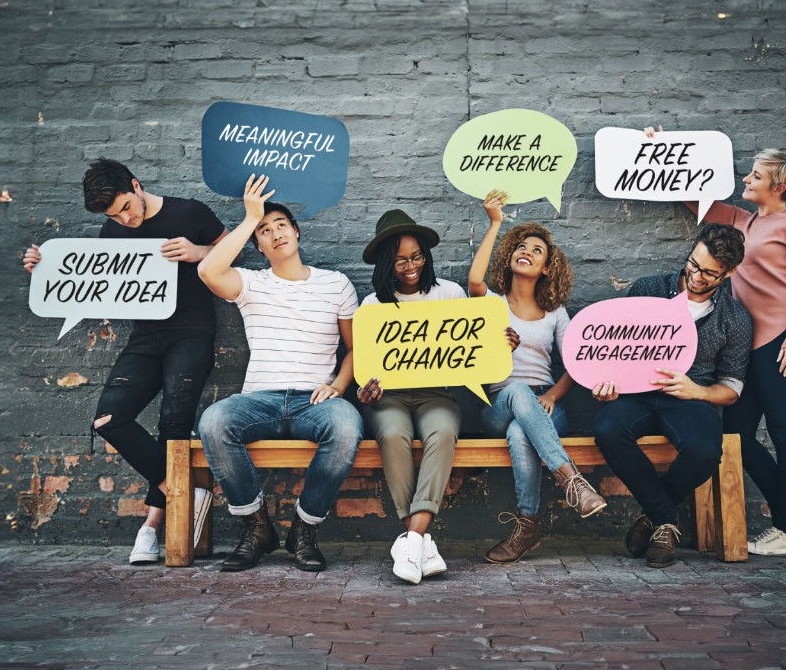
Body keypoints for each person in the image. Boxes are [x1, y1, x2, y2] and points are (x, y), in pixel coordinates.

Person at [22, 159, 224, 564]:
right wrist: (43, 268)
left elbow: (232, 249)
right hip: (145, 337)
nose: (126, 220)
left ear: (136, 184)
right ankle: (184, 491)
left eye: (127, 207)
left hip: (192, 332)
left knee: (173, 426)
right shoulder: (112, 229)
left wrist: (200, 251)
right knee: (109, 419)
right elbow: (93, 282)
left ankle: (150, 528)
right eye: (115, 215)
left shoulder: (189, 212)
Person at [196, 174, 362, 572]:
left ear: (297, 231)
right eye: (264, 231)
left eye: (280, 225)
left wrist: (339, 385)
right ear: (258, 244)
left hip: (315, 400)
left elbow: (358, 347)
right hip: (260, 400)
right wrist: (249, 218)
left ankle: (304, 530)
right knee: (215, 421)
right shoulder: (250, 283)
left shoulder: (335, 283)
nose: (274, 234)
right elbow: (207, 270)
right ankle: (257, 528)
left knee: (347, 427)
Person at [592, 223, 753, 568]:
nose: (697, 275)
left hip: (688, 398)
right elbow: (611, 348)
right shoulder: (648, 288)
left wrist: (699, 390)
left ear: (729, 273)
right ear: (692, 250)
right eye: (694, 264)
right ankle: (665, 519)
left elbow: (733, 387)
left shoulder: (734, 317)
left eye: (710, 273)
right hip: (634, 394)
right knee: (607, 429)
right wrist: (606, 383)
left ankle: (653, 520)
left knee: (705, 450)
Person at [690, 147, 786, 555]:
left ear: (778, 186)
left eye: (755, 176)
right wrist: (654, 146)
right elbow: (688, 194)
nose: (745, 179)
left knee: (785, 435)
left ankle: (784, 531)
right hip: (747, 345)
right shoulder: (739, 220)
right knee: (735, 435)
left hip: (784, 343)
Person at [468, 190, 607, 564]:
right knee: (515, 393)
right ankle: (572, 482)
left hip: (545, 402)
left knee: (520, 431)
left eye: (537, 250)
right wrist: (496, 222)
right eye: (521, 246)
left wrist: (554, 397)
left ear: (547, 268)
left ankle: (527, 525)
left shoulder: (555, 312)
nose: (526, 251)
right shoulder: (493, 303)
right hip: (499, 401)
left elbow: (576, 362)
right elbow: (474, 280)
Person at [356, 209, 470, 583]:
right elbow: (364, 368)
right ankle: (421, 541)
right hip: (389, 398)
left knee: (442, 432)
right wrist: (366, 393)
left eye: (417, 256)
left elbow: (473, 349)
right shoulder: (373, 306)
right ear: (388, 262)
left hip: (438, 394)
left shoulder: (450, 294)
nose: (410, 266)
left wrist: (500, 343)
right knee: (391, 433)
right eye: (401, 259)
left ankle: (412, 538)